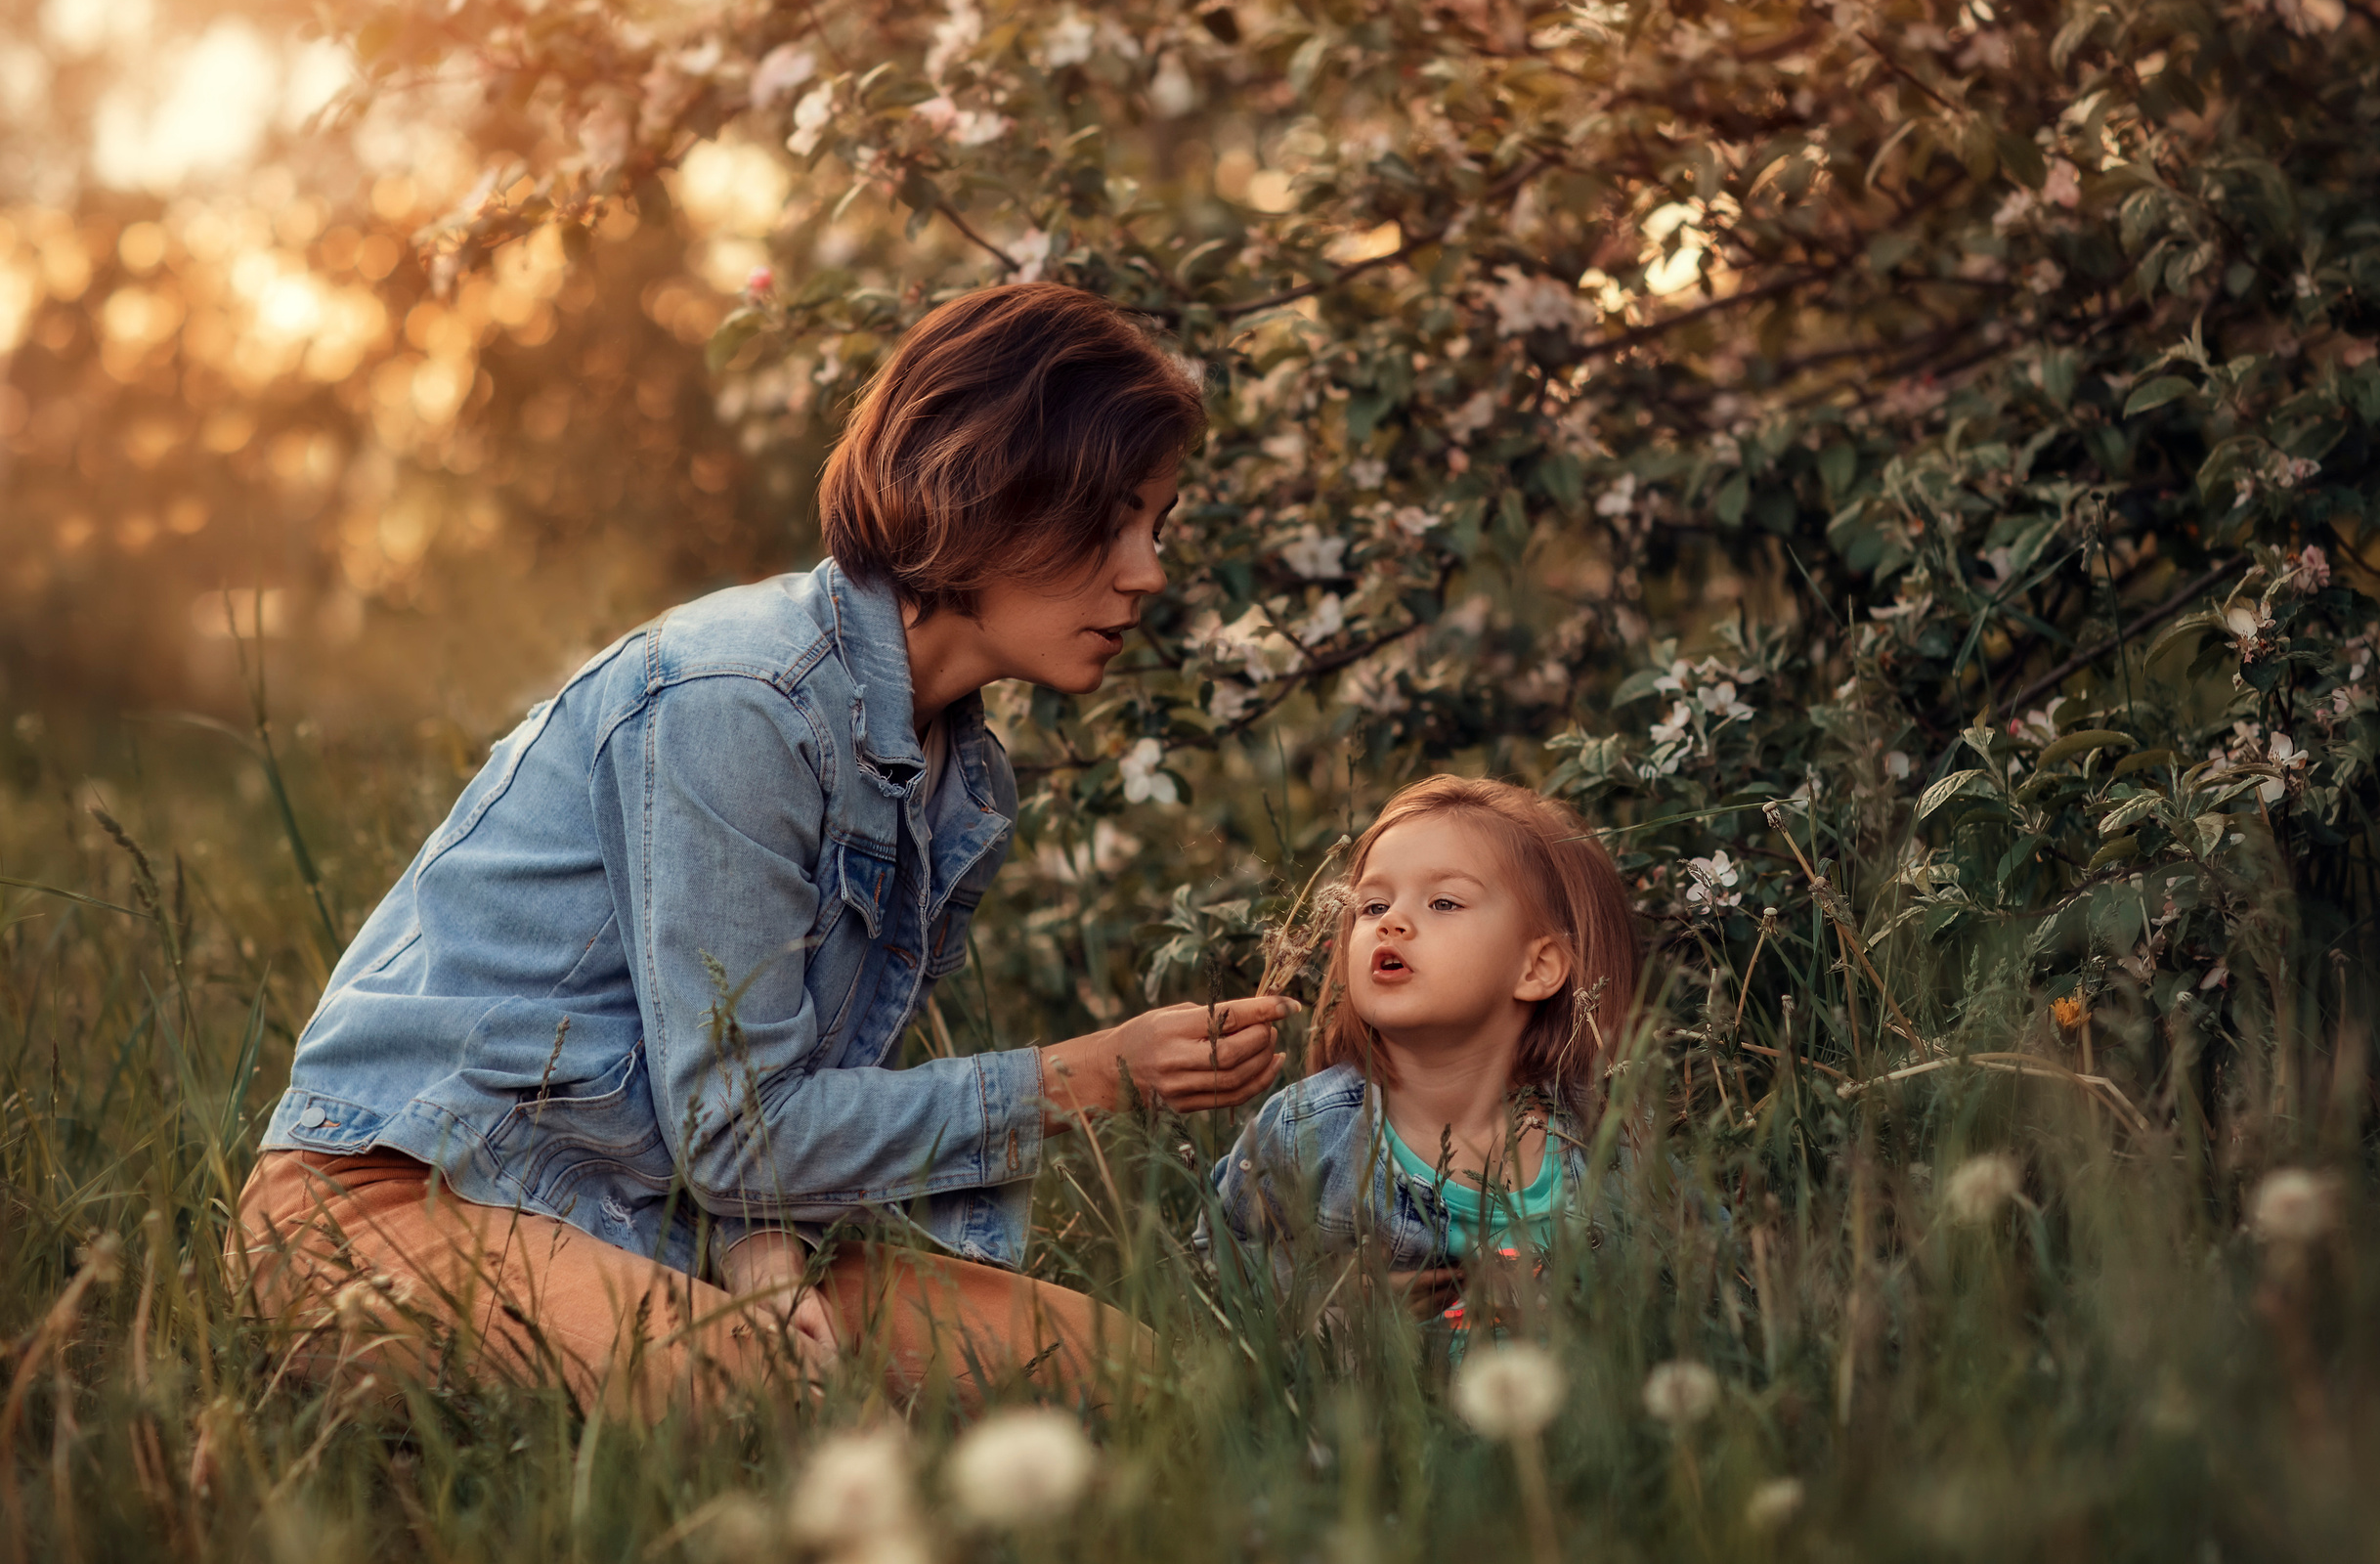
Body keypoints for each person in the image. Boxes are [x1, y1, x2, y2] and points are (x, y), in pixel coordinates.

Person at [229, 282, 1298, 1416]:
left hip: (664, 1224)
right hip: (392, 1206)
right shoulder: (740, 699)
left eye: (1157, 527)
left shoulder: (962, 780)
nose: (1148, 571)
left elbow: (771, 1107)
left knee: (1137, 1373)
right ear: (988, 489)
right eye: (1113, 519)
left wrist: (766, 1264)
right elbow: (741, 1133)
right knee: (761, 1395)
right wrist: (1077, 1080)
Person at [1207, 776, 1634, 1331]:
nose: (1392, 921)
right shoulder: (1304, 1134)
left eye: (1443, 902)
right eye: (1373, 904)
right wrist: (1334, 1308)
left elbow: (1703, 1275)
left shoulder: (1605, 1136)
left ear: (1537, 968)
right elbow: (1218, 1277)